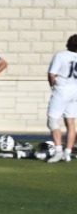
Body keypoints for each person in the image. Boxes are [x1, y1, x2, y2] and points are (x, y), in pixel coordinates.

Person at [47, 34, 77, 163]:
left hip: (62, 90)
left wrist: (52, 85)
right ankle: (67, 153)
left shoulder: (61, 55)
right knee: (70, 122)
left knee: (52, 121)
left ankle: (59, 151)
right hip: (75, 91)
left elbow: (52, 74)